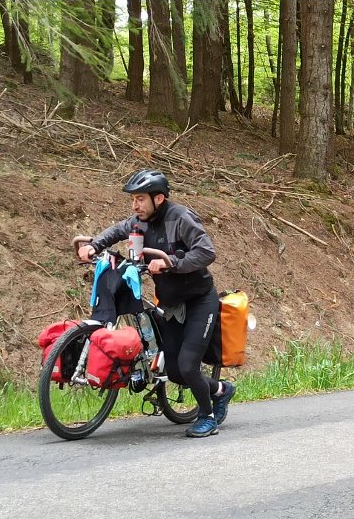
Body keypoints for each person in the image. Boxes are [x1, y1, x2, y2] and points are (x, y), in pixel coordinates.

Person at [77, 169, 236, 437]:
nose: (134, 205)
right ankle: (221, 390)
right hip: (171, 304)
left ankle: (207, 416)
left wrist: (171, 262)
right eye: (133, 199)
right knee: (174, 372)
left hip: (199, 301)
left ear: (159, 198)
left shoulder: (181, 217)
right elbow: (117, 230)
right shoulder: (140, 222)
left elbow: (207, 252)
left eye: (140, 199)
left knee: (187, 365)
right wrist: (94, 245)